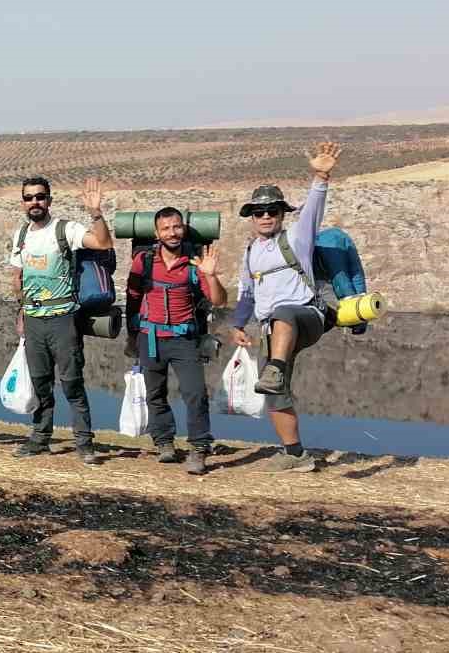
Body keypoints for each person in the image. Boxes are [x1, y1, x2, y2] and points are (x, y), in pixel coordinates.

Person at [229, 141, 344, 471]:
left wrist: (321, 176)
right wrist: (238, 325)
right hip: (273, 330)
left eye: (272, 211)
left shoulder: (296, 239)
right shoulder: (251, 252)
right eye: (258, 212)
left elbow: (313, 211)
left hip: (306, 316)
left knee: (283, 314)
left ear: (282, 214)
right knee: (274, 393)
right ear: (251, 217)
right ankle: (295, 455)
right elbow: (247, 294)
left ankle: (275, 369)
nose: (265, 216)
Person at [8, 175, 115, 465]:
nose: (35, 202)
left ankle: (84, 443)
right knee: (41, 382)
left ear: (49, 200)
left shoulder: (65, 230)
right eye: (29, 197)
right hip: (33, 320)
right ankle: (40, 438)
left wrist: (96, 213)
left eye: (40, 197)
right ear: (23, 202)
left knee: (72, 383)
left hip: (63, 320)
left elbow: (103, 243)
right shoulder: (20, 235)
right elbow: (17, 277)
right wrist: (21, 310)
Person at [124, 208, 228, 475]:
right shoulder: (143, 261)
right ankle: (164, 443)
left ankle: (198, 449)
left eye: (177, 227)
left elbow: (219, 301)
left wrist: (211, 275)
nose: (173, 233)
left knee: (195, 394)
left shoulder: (195, 264)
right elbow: (133, 298)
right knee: (155, 394)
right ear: (157, 233)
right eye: (166, 228)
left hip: (184, 339)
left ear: (183, 229)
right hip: (151, 338)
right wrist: (132, 335)